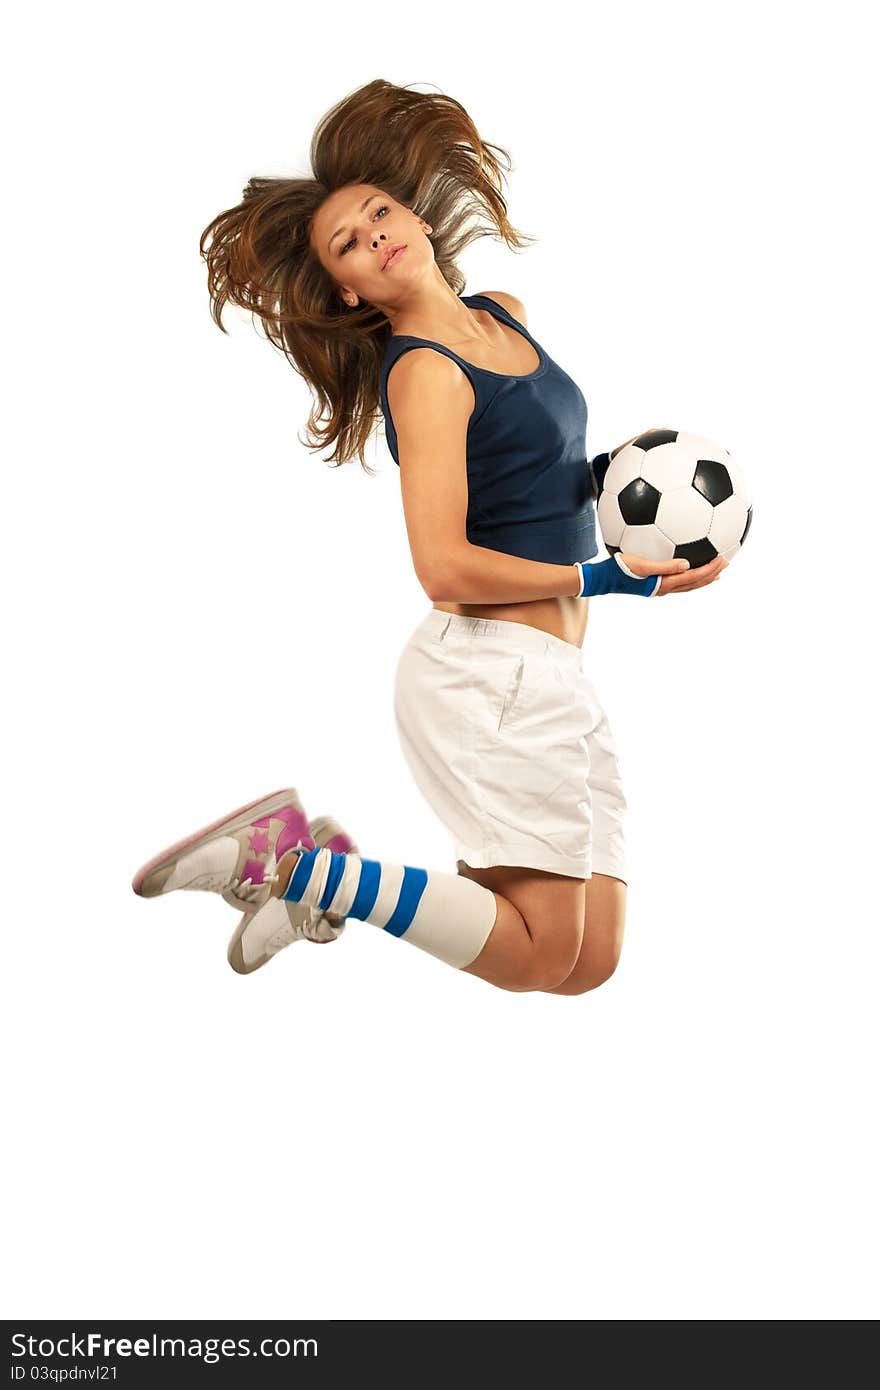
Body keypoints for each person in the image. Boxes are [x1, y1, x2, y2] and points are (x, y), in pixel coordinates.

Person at [132, 79, 727, 993]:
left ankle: (322, 874)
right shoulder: (422, 375)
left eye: (378, 212)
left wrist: (629, 479)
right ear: (349, 285)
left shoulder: (503, 314)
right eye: (350, 243)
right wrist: (612, 579)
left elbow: (534, 465)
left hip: (553, 672)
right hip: (487, 672)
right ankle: (294, 865)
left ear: (412, 214)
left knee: (586, 965)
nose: (374, 234)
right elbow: (441, 564)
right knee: (533, 956)